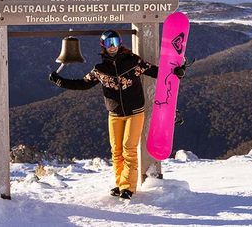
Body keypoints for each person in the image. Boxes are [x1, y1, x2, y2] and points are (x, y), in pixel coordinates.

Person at [49, 29, 185, 200]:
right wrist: (60, 81)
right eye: (108, 43)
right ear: (103, 46)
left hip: (135, 112)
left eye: (114, 42)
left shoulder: (134, 62)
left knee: (129, 149)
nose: (112, 46)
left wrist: (176, 72)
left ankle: (128, 187)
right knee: (116, 151)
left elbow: (156, 71)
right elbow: (83, 84)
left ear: (120, 44)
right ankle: (120, 184)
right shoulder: (100, 70)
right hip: (114, 114)